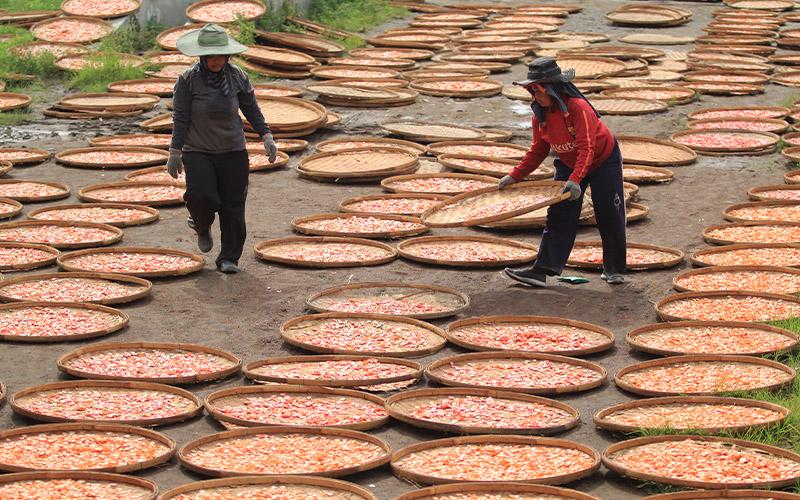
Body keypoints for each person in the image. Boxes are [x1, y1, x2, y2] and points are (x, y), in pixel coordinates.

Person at [500, 57, 626, 287]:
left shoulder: (578, 108)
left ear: (551, 89)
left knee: (609, 211)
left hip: (603, 159)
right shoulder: (540, 115)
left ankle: (614, 269)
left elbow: (588, 147)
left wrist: (576, 180)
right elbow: (538, 150)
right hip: (569, 162)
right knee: (559, 214)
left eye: (537, 91)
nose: (534, 97)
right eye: (532, 92)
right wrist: (515, 175)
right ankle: (542, 270)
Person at [166, 23, 277, 274]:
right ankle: (202, 225)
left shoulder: (238, 76)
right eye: (211, 56)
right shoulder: (187, 80)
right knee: (201, 196)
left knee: (233, 205)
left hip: (233, 150)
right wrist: (175, 152)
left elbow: (251, 108)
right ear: (202, 56)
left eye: (220, 55)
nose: (216, 61)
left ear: (227, 55)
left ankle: (229, 257)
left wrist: (266, 136)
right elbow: (181, 117)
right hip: (198, 150)